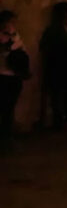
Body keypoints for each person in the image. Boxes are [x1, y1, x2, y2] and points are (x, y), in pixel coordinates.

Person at [39, 1, 67, 129]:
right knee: (57, 96)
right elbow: (44, 48)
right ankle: (58, 121)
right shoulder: (52, 30)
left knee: (65, 96)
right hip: (55, 68)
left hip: (66, 69)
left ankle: (64, 119)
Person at [0, 10, 30, 152]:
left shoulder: (15, 35)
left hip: (14, 77)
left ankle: (7, 137)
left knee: (9, 109)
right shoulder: (3, 37)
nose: (13, 24)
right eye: (11, 21)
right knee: (4, 109)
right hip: (3, 77)